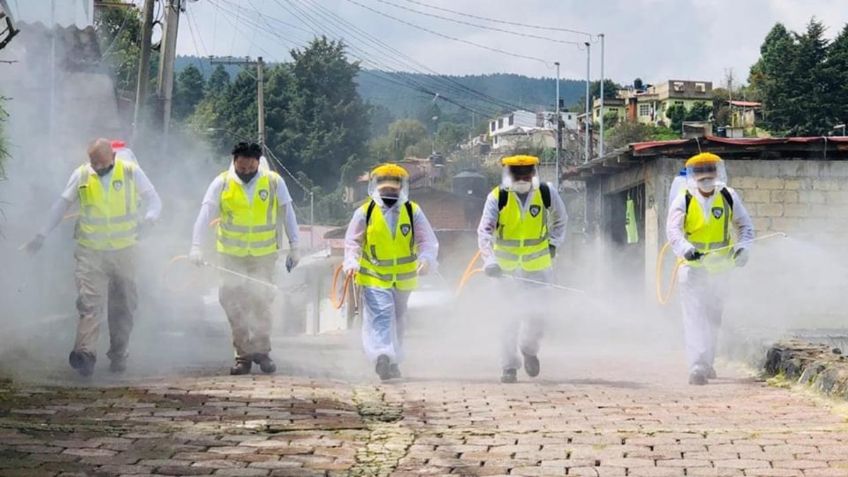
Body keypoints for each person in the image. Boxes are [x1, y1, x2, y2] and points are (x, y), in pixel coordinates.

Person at [24, 138, 162, 376]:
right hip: (90, 251)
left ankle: (118, 353)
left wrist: (149, 221)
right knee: (89, 303)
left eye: (101, 163)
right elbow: (61, 206)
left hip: (125, 251)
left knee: (124, 305)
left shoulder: (130, 172)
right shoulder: (81, 175)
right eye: (93, 162)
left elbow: (154, 201)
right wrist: (41, 234)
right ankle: (85, 354)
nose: (97, 167)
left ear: (113, 157)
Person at [189, 142, 300, 375]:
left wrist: (295, 246)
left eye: (251, 168)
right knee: (232, 302)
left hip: (264, 255)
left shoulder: (273, 182)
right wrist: (196, 246)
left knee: (261, 300)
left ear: (258, 163)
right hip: (230, 256)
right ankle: (243, 356)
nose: (246, 173)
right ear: (234, 162)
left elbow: (287, 212)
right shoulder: (222, 183)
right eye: (242, 168)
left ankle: (262, 351)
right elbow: (205, 213)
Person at [342, 164, 439, 381]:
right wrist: (352, 262)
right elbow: (352, 242)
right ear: (376, 188)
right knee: (381, 315)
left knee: (398, 319)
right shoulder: (365, 212)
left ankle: (393, 360)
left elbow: (427, 241)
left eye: (393, 189)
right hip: (374, 276)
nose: (389, 193)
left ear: (401, 188)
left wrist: (426, 260)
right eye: (385, 189)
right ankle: (381, 356)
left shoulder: (413, 211)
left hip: (403, 279)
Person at [477, 155, 567, 383]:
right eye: (517, 173)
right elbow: (484, 233)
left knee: (539, 315)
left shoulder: (546, 193)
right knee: (507, 318)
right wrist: (490, 261)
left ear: (534, 173)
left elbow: (561, 220)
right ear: (508, 175)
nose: (522, 178)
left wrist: (554, 244)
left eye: (527, 173)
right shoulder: (497, 197)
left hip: (537, 267)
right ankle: (508, 366)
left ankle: (529, 349)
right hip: (505, 271)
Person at [666, 152, 754, 385]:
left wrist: (743, 249)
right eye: (701, 172)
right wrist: (685, 248)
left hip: (721, 269)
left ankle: (707, 362)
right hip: (693, 267)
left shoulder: (728, 196)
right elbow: (673, 231)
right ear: (693, 175)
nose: (706, 177)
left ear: (717, 172)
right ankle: (697, 365)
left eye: (710, 171)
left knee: (713, 317)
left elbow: (745, 226)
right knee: (694, 316)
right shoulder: (683, 199)